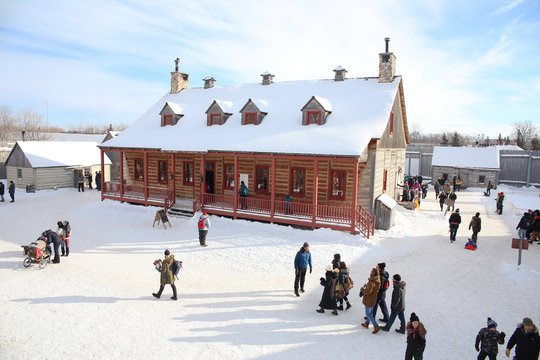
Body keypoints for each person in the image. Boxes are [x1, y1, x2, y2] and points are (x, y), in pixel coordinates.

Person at [360, 267, 381, 334]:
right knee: (371, 312)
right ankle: (367, 323)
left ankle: (376, 326)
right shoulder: (378, 280)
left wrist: (362, 289)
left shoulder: (371, 282)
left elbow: (368, 292)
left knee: (368, 314)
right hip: (374, 298)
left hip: (369, 299)